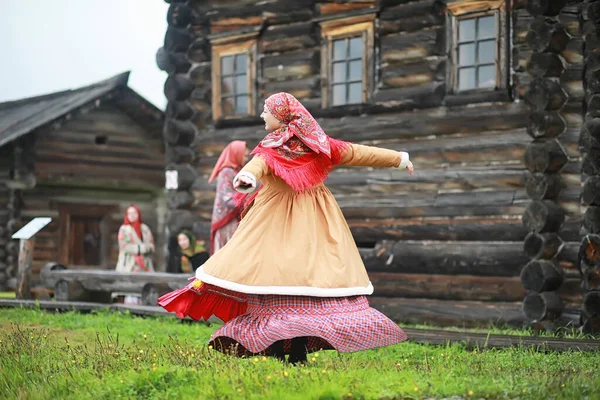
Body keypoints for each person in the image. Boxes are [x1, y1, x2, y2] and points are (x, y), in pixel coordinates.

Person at [159, 92, 413, 363]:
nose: (262, 115)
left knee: (283, 278)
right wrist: (247, 176)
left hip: (281, 223)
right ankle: (289, 348)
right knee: (294, 279)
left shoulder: (300, 145)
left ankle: (288, 348)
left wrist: (398, 158)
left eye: (266, 110)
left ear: (281, 116)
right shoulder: (313, 143)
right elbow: (261, 164)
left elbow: (355, 153)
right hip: (312, 220)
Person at [208, 140, 249, 255]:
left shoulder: (237, 171)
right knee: (227, 253)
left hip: (234, 218)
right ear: (236, 154)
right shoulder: (226, 171)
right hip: (226, 221)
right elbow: (226, 199)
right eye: (244, 156)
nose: (246, 159)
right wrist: (247, 201)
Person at [115, 204, 155, 304]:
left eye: (134, 213)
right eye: (129, 213)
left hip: (144, 264)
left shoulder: (145, 229)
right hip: (129, 263)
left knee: (145, 285)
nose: (132, 215)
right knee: (129, 286)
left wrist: (147, 248)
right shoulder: (124, 229)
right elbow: (124, 246)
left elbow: (151, 244)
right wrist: (141, 248)